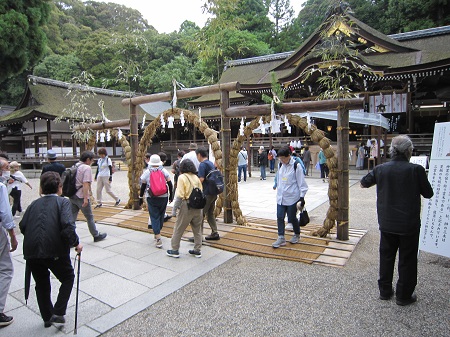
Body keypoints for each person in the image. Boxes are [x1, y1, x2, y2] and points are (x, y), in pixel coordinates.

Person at [360, 135, 433, 306]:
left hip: (387, 223)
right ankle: (403, 295)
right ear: (409, 151)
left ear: (392, 150)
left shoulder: (381, 169)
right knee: (407, 259)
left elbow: (363, 183)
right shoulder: (416, 170)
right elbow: (428, 193)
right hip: (408, 224)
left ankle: (385, 291)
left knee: (386, 257)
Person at [19, 172, 83, 328]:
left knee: (41, 284)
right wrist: (76, 243)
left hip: (32, 250)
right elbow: (67, 226)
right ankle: (59, 311)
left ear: (41, 188)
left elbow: (23, 226)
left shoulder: (33, 204)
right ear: (60, 187)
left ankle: (47, 317)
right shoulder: (63, 202)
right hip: (54, 248)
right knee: (68, 276)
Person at [272, 146, 308, 248]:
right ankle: (281, 237)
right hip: (281, 197)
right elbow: (279, 178)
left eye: (283, 158)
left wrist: (302, 198)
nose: (282, 160)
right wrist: (276, 186)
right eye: (280, 158)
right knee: (279, 216)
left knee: (292, 218)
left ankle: (297, 234)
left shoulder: (296, 166)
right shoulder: (280, 165)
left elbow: (302, 184)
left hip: (292, 197)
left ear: (289, 156)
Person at [167, 159, 203, 258]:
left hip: (186, 205)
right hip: (198, 206)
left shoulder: (182, 177)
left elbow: (179, 195)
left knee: (179, 228)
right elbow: (201, 191)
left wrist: (174, 210)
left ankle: (174, 249)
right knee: (197, 229)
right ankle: (197, 249)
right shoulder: (196, 177)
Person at [69, 151, 107, 242]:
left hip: (72, 194)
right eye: (92, 160)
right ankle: (96, 235)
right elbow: (85, 183)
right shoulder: (86, 168)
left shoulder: (75, 165)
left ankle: (69, 237)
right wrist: (86, 198)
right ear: (88, 159)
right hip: (81, 195)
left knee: (72, 218)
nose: (92, 162)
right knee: (89, 216)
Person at [139, 154, 173, 248]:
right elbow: (170, 184)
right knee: (161, 215)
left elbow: (143, 186)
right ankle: (157, 231)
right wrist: (171, 196)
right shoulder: (164, 170)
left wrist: (140, 198)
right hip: (164, 197)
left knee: (154, 216)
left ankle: (158, 237)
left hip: (151, 197)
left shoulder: (147, 172)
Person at [0, 158, 17, 327]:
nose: (8, 171)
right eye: (6, 168)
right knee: (5, 268)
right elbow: (5, 213)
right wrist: (12, 234)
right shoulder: (0, 187)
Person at [196, 147, 220, 240]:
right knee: (210, 213)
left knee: (200, 214)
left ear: (199, 155)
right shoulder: (210, 163)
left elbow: (201, 179)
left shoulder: (202, 165)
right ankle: (215, 232)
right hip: (214, 192)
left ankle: (198, 237)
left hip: (206, 193)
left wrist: (194, 187)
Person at [171, 151, 185, 217]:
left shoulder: (176, 162)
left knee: (176, 191)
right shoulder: (186, 161)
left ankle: (172, 199)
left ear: (178, 156)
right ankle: (181, 206)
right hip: (185, 179)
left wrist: (177, 172)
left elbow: (172, 171)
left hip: (177, 179)